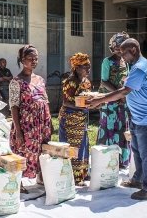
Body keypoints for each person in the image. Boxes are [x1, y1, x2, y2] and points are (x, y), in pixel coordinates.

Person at [86, 38, 147, 200]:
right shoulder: (136, 66)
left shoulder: (140, 67)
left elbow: (125, 91)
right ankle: (138, 180)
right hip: (138, 117)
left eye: (123, 53)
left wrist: (99, 100)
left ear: (133, 50)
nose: (122, 57)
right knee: (138, 152)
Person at [9, 44, 52, 192]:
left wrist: (49, 122)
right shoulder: (16, 81)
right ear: (22, 59)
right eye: (30, 58)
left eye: (36, 59)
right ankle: (18, 182)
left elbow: (45, 100)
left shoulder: (40, 79)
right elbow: (14, 106)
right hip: (25, 124)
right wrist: (18, 131)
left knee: (41, 149)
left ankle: (40, 177)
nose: (34, 61)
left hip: (41, 123)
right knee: (22, 150)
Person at [97, 32, 131, 168]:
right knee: (108, 127)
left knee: (122, 128)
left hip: (122, 102)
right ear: (112, 46)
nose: (118, 48)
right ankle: (107, 160)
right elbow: (104, 81)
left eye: (121, 46)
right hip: (110, 102)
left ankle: (121, 160)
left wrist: (123, 96)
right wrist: (118, 94)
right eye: (116, 46)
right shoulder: (107, 61)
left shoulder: (125, 62)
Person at [58, 52, 92, 186]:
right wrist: (83, 107)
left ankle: (82, 174)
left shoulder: (87, 82)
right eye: (85, 67)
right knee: (73, 147)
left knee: (83, 145)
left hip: (81, 118)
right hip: (70, 119)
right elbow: (66, 102)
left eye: (89, 67)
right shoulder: (70, 82)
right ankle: (72, 176)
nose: (88, 69)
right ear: (77, 68)